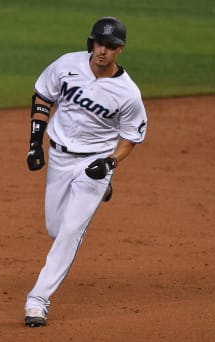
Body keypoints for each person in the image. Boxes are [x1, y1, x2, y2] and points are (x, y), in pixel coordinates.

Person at [24, 16, 147, 327]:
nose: (102, 51)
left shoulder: (128, 93)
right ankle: (99, 192)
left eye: (110, 46)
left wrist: (111, 162)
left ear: (121, 50)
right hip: (59, 157)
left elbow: (132, 135)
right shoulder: (67, 64)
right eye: (98, 43)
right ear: (91, 42)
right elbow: (43, 96)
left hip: (94, 164)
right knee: (55, 228)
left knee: (70, 232)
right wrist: (35, 143)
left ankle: (37, 300)